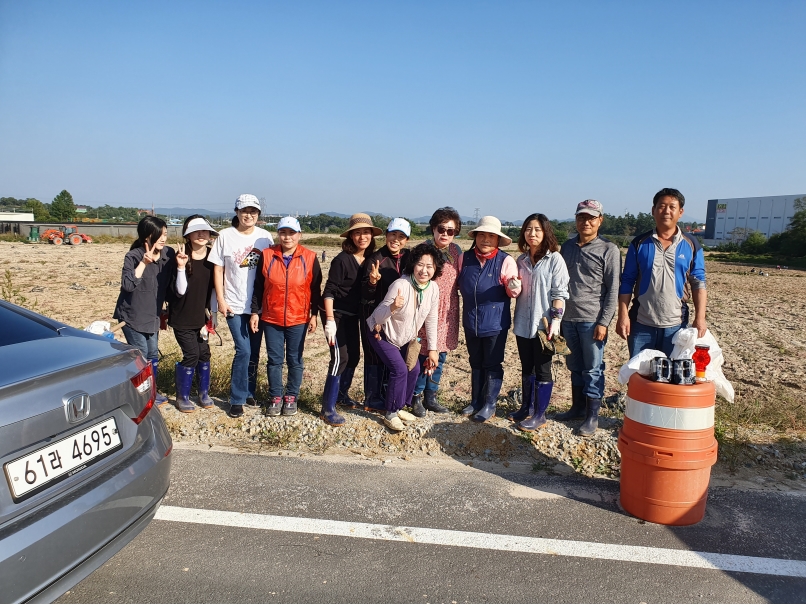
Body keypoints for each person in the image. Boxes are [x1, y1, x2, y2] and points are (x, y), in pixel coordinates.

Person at [616, 188, 707, 358]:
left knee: (670, 379)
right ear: (653, 210)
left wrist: (700, 318)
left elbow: (699, 282)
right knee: (639, 377)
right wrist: (623, 315)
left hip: (675, 325)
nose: (666, 211)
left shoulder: (691, 244)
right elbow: (627, 280)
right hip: (641, 324)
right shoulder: (639, 243)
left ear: (680, 212)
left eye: (672, 207)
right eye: (661, 206)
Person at [556, 200, 620, 436]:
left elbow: (613, 289)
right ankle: (577, 408)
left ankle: (593, 416)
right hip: (567, 318)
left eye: (591, 218)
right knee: (574, 366)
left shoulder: (608, 249)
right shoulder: (567, 247)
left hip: (592, 320)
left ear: (600, 220)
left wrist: (604, 322)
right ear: (576, 219)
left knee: (593, 368)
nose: (586, 222)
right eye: (582, 217)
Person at [209, 194, 274, 419]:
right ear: (236, 212)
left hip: (258, 306)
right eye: (244, 211)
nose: (249, 215)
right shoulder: (225, 236)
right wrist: (221, 300)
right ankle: (236, 398)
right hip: (233, 304)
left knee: (254, 351)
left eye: (253, 211)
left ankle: (249, 392)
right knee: (243, 350)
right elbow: (218, 269)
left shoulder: (265, 237)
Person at [250, 216, 322, 417]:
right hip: (271, 317)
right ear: (278, 234)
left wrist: (314, 315)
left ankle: (291, 397)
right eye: (283, 232)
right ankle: (275, 396)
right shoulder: (267, 255)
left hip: (298, 318)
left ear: (299, 235)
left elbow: (316, 289)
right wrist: (255, 312)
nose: (287, 237)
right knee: (274, 360)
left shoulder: (310, 257)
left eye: (291, 233)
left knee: (295, 359)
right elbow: (258, 286)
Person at [366, 243, 442, 431]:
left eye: (429, 266)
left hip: (405, 338)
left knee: (413, 370)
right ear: (412, 265)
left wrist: (433, 349)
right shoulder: (401, 284)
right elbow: (378, 316)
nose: (424, 270)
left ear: (436, 268)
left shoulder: (433, 289)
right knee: (399, 370)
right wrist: (393, 307)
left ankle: (399, 406)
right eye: (420, 264)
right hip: (381, 333)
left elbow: (431, 320)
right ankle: (390, 413)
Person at [508, 213, 570, 432]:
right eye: (528, 229)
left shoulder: (554, 259)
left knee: (543, 370)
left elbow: (559, 292)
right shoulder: (521, 260)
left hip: (545, 326)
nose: (532, 234)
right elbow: (515, 289)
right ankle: (526, 407)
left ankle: (539, 415)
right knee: (527, 367)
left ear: (545, 233)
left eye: (537, 230)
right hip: (524, 323)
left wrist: (556, 320)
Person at [458, 216, 522, 423]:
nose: (486, 240)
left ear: (497, 240)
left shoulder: (505, 261)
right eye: (482, 235)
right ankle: (475, 401)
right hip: (470, 321)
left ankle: (489, 404)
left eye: (491, 236)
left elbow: (514, 291)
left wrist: (513, 286)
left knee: (492, 363)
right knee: (475, 361)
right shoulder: (464, 259)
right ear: (475, 237)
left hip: (495, 323)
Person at [320, 213, 381, 426]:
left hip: (353, 316)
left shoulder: (370, 261)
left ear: (372, 235)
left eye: (366, 232)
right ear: (351, 237)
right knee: (340, 358)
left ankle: (342, 395)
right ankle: (327, 407)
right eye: (357, 233)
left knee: (354, 356)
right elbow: (328, 291)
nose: (362, 236)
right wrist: (328, 320)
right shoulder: (341, 260)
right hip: (335, 314)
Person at [113, 215, 175, 406]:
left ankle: (151, 392)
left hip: (153, 316)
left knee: (153, 354)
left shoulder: (168, 255)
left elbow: (171, 286)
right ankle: (142, 396)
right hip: (132, 317)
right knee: (142, 356)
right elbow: (128, 286)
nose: (163, 238)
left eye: (165, 234)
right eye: (159, 235)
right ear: (147, 236)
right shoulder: (133, 256)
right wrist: (144, 263)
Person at [410, 207, 462, 415]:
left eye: (451, 231)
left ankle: (432, 396)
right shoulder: (422, 250)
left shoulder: (456, 252)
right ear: (433, 229)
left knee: (440, 355)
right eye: (442, 229)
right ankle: (416, 396)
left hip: (448, 310)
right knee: (422, 354)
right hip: (425, 310)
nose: (445, 234)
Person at [360, 218, 412, 413]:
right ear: (386, 235)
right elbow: (365, 295)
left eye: (401, 236)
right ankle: (372, 398)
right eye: (393, 235)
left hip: (399, 320)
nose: (396, 240)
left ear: (406, 240)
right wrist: (372, 282)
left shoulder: (409, 258)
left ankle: (390, 397)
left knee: (395, 358)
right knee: (374, 356)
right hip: (376, 316)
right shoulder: (375, 259)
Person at [169, 215, 218, 413]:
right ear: (187, 235)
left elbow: (216, 289)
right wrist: (181, 267)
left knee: (204, 354)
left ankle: (203, 393)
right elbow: (180, 291)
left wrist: (213, 315)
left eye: (204, 231)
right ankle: (183, 397)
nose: (201, 235)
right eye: (196, 231)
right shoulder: (180, 256)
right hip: (182, 317)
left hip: (202, 317)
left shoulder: (214, 257)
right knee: (191, 355)